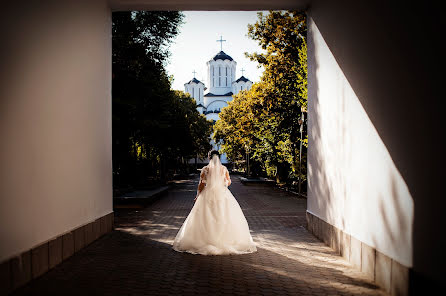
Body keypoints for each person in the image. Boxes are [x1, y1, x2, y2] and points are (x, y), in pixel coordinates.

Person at [172, 150, 257, 255]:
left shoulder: (205, 169)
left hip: (207, 194)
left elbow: (201, 184)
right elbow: (229, 182)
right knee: (223, 215)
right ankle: (224, 240)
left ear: (209, 158)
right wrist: (223, 182)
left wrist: (198, 195)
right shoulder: (224, 169)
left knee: (206, 216)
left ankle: (205, 240)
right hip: (222, 194)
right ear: (219, 158)